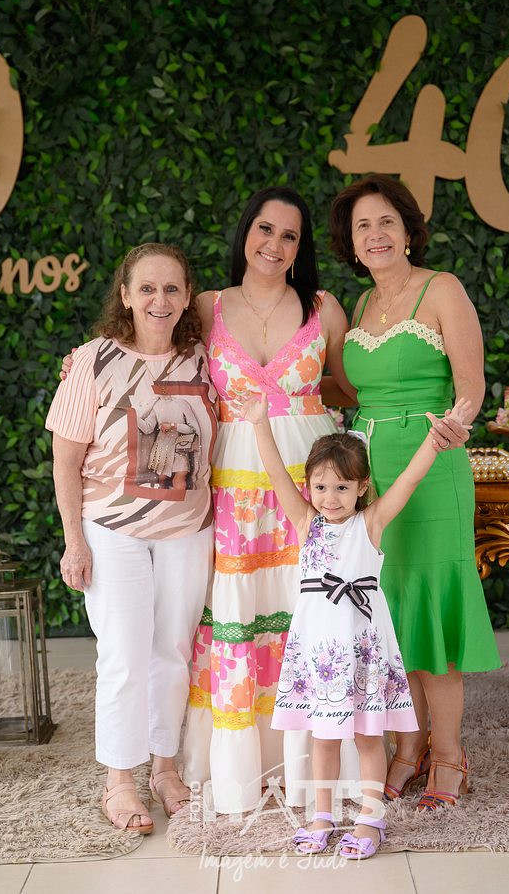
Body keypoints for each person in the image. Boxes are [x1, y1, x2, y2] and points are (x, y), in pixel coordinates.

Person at [182, 186, 358, 814]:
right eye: (265, 229)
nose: (274, 244)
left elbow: (350, 387)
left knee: (310, 610)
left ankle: (318, 766)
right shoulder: (206, 307)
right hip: (234, 485)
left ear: (300, 247)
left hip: (312, 483)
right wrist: (90, 362)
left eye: (289, 235)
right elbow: (157, 362)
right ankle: (241, 771)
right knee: (242, 610)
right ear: (245, 232)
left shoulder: (324, 308)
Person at [330, 174, 502, 811]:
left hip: (432, 464)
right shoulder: (359, 306)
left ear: (407, 230)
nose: (375, 235)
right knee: (389, 613)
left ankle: (449, 755)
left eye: (386, 222)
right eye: (362, 226)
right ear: (352, 243)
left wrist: (454, 424)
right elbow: (349, 390)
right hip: (370, 469)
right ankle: (408, 747)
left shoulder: (441, 289)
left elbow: (471, 385)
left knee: (431, 605)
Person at [241, 390, 473, 858]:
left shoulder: (371, 523)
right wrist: (260, 423)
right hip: (320, 651)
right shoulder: (306, 522)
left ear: (362, 486)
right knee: (323, 738)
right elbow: (274, 471)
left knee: (369, 736)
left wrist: (434, 440)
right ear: (309, 486)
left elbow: (409, 480)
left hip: (362, 648)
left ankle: (370, 819)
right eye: (321, 487)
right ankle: (321, 817)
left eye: (343, 488)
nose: (330, 498)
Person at [46, 243, 217, 832]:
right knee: (123, 655)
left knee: (173, 652)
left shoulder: (205, 361)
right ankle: (119, 781)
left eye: (171, 288)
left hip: (187, 531)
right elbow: (65, 460)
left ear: (188, 296)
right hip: (112, 531)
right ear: (124, 295)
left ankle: (165, 769)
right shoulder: (93, 361)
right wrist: (74, 541)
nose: (158, 300)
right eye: (146, 288)